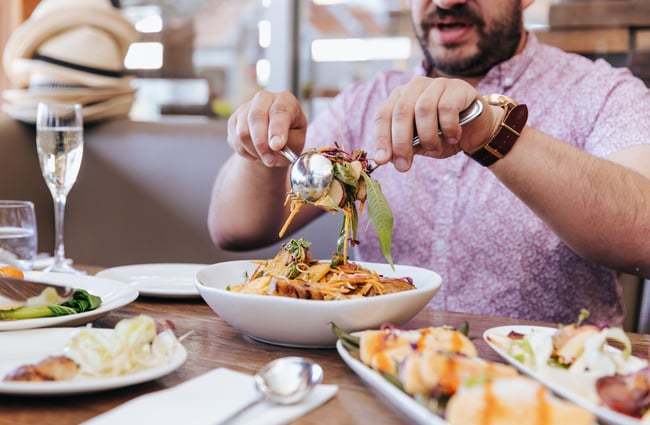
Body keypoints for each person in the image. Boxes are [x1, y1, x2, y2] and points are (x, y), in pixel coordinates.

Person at [208, 0, 650, 326]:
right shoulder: (367, 101)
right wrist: (260, 149)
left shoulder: (602, 93)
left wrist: (492, 133)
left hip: (547, 387)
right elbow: (236, 229)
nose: (444, 2)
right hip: (377, 371)